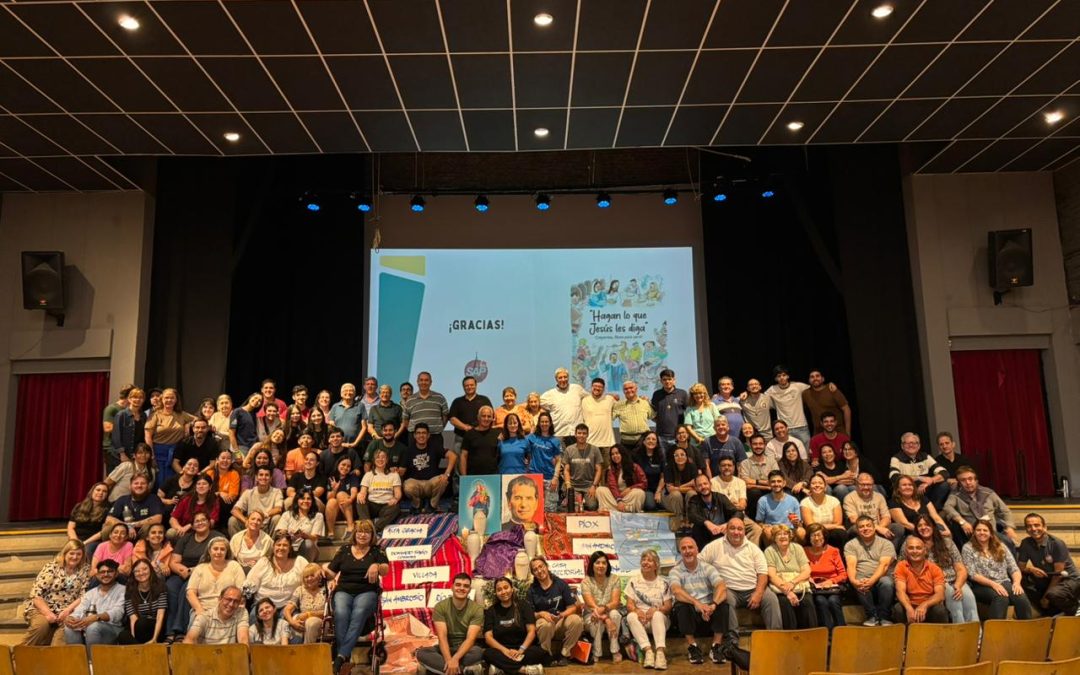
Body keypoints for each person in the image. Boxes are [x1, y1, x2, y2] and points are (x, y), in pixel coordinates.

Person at [325, 519, 388, 675]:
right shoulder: (344, 550)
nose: (363, 535)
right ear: (355, 533)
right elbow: (331, 573)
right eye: (360, 531)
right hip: (344, 590)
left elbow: (386, 570)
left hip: (367, 591)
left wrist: (376, 565)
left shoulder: (377, 550)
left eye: (367, 532)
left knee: (358, 612)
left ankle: (340, 657)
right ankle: (344, 657)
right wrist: (322, 570)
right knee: (341, 612)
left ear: (372, 535)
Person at [699, 517, 782, 633]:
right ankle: (733, 639)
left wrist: (758, 593)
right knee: (724, 600)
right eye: (732, 528)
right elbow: (698, 563)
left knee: (771, 599)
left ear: (744, 531)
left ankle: (776, 636)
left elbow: (763, 573)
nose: (736, 532)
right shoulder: (714, 546)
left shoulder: (754, 549)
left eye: (740, 529)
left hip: (753, 588)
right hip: (729, 589)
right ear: (726, 530)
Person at [669, 536, 731, 665]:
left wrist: (713, 605)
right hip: (690, 613)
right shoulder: (675, 571)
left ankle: (716, 646)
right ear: (680, 552)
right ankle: (692, 647)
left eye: (690, 547)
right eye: (683, 548)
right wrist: (697, 603)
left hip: (709, 612)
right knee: (681, 605)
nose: (687, 551)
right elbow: (676, 591)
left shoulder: (708, 568)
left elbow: (721, 586)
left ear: (697, 550)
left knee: (723, 603)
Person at [21, 539, 92, 645]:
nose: (74, 557)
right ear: (65, 553)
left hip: (68, 610)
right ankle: (20, 652)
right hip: (43, 607)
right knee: (41, 625)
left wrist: (67, 610)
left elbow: (83, 596)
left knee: (64, 633)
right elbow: (36, 594)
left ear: (83, 555)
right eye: (71, 553)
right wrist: (48, 613)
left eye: (78, 554)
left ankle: (55, 653)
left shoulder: (85, 570)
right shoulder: (52, 567)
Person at [166, 512, 224, 640]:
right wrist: (183, 570)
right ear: (192, 525)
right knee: (170, 587)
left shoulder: (217, 537)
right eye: (197, 521)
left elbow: (218, 559)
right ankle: (169, 631)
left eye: (203, 520)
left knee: (187, 589)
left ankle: (181, 630)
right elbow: (173, 561)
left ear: (209, 522)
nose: (200, 523)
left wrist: (192, 571)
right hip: (183, 572)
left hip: (204, 573)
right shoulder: (186, 538)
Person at [416, 573, 485, 675]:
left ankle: (443, 670)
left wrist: (455, 659)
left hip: (466, 649)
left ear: (469, 590)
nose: (461, 588)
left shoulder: (477, 609)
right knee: (422, 653)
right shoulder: (440, 606)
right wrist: (449, 660)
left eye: (466, 586)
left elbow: (470, 639)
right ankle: (460, 670)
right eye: (458, 585)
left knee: (478, 652)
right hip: (446, 648)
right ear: (451, 587)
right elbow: (442, 637)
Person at [963, 520, 1032, 620]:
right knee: (1001, 597)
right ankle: (995, 629)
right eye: (978, 530)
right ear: (974, 532)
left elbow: (1013, 568)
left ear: (991, 533)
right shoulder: (968, 548)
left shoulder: (1001, 546)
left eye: (985, 530)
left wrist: (1017, 583)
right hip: (980, 585)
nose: (982, 532)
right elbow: (972, 574)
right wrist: (993, 584)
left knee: (1020, 597)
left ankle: (1027, 627)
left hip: (1003, 581)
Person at [914, 515, 978, 623]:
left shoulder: (947, 542)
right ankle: (959, 629)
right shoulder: (913, 545)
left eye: (927, 524)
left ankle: (976, 631)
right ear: (916, 529)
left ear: (933, 526)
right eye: (920, 525)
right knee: (954, 596)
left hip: (955, 580)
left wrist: (958, 585)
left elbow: (961, 568)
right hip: (936, 583)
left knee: (969, 597)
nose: (923, 527)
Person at [482, 576, 550, 675]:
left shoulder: (524, 606)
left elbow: (531, 632)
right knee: (488, 654)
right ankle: (524, 670)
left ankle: (501, 668)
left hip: (523, 648)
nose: (503, 592)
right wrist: (505, 651)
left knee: (539, 652)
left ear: (512, 589)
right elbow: (488, 638)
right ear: (496, 593)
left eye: (506, 587)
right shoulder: (491, 611)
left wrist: (521, 650)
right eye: (499, 590)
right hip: (501, 649)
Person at [943, 466, 1018, 552]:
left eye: (970, 479)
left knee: (1008, 542)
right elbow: (947, 507)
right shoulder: (956, 495)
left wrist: (1009, 527)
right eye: (963, 480)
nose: (968, 482)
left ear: (976, 480)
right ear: (959, 483)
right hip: (972, 534)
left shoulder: (988, 493)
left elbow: (1005, 511)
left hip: (991, 532)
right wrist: (962, 522)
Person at [1018, 513, 1080, 616]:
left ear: (1045, 527)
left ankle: (1075, 609)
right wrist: (1031, 569)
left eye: (1037, 525)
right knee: (1020, 579)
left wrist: (1045, 597)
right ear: (1026, 530)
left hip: (1068, 579)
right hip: (1047, 578)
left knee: (1052, 594)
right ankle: (1051, 613)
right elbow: (1021, 567)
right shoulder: (1025, 543)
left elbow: (1058, 575)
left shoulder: (1056, 543)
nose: (1033, 529)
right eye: (1029, 526)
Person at [528, 557, 583, 667]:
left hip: (560, 622)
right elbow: (529, 614)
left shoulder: (560, 584)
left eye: (541, 566)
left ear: (547, 566)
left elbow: (572, 607)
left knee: (576, 620)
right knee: (546, 624)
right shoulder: (531, 590)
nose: (539, 570)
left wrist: (562, 615)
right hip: (544, 623)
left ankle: (565, 654)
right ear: (533, 574)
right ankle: (545, 654)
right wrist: (541, 614)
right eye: (535, 569)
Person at [624, 549, 673, 670]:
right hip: (641, 620)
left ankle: (660, 653)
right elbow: (629, 604)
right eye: (643, 559)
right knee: (631, 616)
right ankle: (648, 652)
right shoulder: (633, 581)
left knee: (657, 615)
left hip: (660, 621)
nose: (645, 562)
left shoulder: (663, 583)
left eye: (650, 560)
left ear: (656, 565)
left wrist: (657, 609)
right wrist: (636, 610)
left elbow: (668, 607)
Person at [63, 558, 126, 651]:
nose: (106, 574)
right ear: (97, 575)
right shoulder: (90, 593)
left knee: (94, 627)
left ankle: (92, 659)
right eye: (102, 572)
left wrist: (97, 617)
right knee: (69, 628)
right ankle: (77, 659)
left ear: (116, 573)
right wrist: (71, 618)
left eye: (110, 571)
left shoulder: (123, 590)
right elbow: (80, 609)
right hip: (90, 627)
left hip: (114, 628)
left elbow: (118, 612)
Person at [186, 536, 246, 632]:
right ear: (209, 551)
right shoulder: (200, 568)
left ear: (226, 552)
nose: (218, 552)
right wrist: (200, 610)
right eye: (215, 549)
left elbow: (241, 591)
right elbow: (190, 593)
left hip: (228, 609)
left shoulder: (234, 566)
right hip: (203, 609)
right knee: (196, 627)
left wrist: (229, 610)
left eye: (222, 549)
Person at [844, 515, 896, 626]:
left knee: (887, 582)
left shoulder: (886, 543)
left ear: (874, 527)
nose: (865, 528)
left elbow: (884, 566)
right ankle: (872, 616)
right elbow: (851, 565)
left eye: (868, 525)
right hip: (862, 578)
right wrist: (853, 581)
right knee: (859, 581)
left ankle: (884, 616)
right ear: (857, 530)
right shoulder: (851, 545)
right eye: (861, 527)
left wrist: (871, 580)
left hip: (881, 578)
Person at [764, 525, 817, 629]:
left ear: (790, 536)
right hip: (780, 588)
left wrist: (792, 582)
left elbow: (807, 571)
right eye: (779, 534)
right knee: (785, 603)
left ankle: (810, 636)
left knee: (807, 602)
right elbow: (772, 575)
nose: (783, 536)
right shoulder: (769, 551)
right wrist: (787, 592)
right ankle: (790, 636)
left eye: (785, 534)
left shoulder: (797, 548)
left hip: (799, 585)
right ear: (774, 537)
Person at [244, 533, 307, 614]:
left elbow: (312, 573)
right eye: (278, 545)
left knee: (295, 621)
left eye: (285, 545)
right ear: (273, 547)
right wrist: (243, 599)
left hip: (288, 607)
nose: (281, 548)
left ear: (290, 548)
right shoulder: (264, 562)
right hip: (263, 606)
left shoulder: (300, 561)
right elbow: (249, 585)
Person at [892, 536, 949, 624]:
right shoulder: (901, 566)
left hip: (929, 606)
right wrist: (908, 607)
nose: (914, 551)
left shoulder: (935, 569)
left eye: (918, 548)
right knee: (898, 609)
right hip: (910, 604)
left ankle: (940, 633)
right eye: (911, 548)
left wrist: (925, 605)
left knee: (940, 610)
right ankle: (906, 632)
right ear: (906, 551)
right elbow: (900, 591)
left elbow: (940, 594)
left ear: (925, 551)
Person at [888, 432, 950, 510]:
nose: (911, 445)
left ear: (919, 446)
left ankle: (934, 510)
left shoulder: (925, 456)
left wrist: (931, 480)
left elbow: (944, 473)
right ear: (902, 446)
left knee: (944, 485)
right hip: (907, 490)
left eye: (914, 443)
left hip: (925, 490)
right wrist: (919, 478)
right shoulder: (896, 458)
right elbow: (893, 476)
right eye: (907, 443)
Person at [581, 551, 623, 665]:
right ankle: (597, 652)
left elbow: (615, 602)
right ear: (592, 565)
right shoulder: (586, 581)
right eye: (597, 562)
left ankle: (615, 649)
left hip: (609, 611)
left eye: (604, 563)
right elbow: (592, 606)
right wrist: (606, 618)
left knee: (615, 614)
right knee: (596, 618)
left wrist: (605, 610)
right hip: (591, 614)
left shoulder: (614, 579)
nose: (601, 565)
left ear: (608, 565)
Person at [145, 388, 194, 484]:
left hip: (175, 455)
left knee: (174, 482)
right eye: (166, 398)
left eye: (172, 398)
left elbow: (197, 420)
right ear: (162, 399)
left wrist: (188, 424)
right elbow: (148, 437)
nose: (169, 400)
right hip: (158, 454)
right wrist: (152, 456)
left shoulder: (181, 414)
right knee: (159, 481)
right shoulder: (155, 415)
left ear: (176, 400)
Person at [402, 423, 455, 514]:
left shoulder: (434, 447)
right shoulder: (408, 450)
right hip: (416, 484)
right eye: (418, 433)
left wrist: (447, 474)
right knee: (407, 485)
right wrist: (397, 471)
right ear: (414, 435)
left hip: (431, 483)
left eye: (424, 433)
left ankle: (432, 505)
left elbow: (453, 456)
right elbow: (402, 470)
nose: (421, 435)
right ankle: (417, 504)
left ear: (428, 435)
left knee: (443, 480)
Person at [686, 473, 748, 550]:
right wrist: (707, 523)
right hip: (703, 536)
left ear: (710, 484)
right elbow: (692, 515)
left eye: (705, 483)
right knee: (696, 528)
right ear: (696, 488)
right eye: (700, 485)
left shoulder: (720, 497)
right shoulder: (694, 500)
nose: (703, 487)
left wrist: (727, 524)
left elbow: (738, 513)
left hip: (721, 534)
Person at [804, 523, 847, 631]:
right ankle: (827, 632)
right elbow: (801, 571)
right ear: (809, 538)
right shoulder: (804, 551)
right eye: (813, 535)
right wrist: (809, 579)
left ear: (824, 536)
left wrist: (831, 581)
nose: (816, 538)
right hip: (815, 588)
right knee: (820, 601)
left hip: (832, 587)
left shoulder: (833, 551)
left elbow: (843, 574)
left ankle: (842, 632)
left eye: (819, 535)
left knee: (833, 600)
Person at [889, 475, 951, 546]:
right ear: (898, 489)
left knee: (944, 533)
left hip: (929, 530)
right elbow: (905, 523)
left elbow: (935, 517)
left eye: (910, 485)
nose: (908, 487)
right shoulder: (893, 502)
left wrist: (947, 530)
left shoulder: (922, 498)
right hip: (911, 534)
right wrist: (925, 531)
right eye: (904, 485)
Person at [117, 558, 167, 644]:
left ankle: (146, 646)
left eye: (144, 569)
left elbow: (160, 616)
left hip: (156, 628)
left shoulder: (160, 586)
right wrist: (134, 637)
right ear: (133, 574)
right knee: (123, 635)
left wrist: (154, 639)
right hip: (138, 628)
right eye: (137, 571)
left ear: (151, 570)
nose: (141, 573)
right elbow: (133, 618)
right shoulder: (130, 590)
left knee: (142, 622)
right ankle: (141, 648)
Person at [843, 473, 904, 543]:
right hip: (860, 527)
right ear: (856, 484)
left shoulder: (879, 496)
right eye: (862, 484)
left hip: (879, 526)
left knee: (898, 528)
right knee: (855, 529)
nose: (866, 487)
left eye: (869, 484)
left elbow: (886, 517)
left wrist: (880, 528)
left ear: (873, 485)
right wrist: (877, 528)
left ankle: (889, 549)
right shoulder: (849, 498)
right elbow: (854, 520)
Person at [102, 474, 164, 542]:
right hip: (124, 533)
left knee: (148, 527)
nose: (139, 485)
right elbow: (109, 519)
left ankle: (141, 546)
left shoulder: (154, 498)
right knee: (107, 528)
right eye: (136, 483)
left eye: (143, 483)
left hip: (144, 534)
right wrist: (127, 526)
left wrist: (133, 525)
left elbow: (158, 519)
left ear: (148, 486)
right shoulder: (122, 499)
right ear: (130, 486)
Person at [763, 366, 814, 448]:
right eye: (779, 376)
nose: (782, 378)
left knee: (807, 451)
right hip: (784, 429)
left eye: (784, 375)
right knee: (788, 452)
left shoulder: (798, 386)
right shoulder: (772, 390)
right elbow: (760, 398)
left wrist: (830, 385)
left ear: (788, 376)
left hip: (801, 426)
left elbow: (814, 387)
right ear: (776, 379)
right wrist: (746, 394)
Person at [401, 371, 450, 452]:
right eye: (421, 380)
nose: (423, 382)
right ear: (417, 382)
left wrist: (438, 427)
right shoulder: (410, 400)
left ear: (431, 382)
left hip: (435, 437)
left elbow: (445, 416)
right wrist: (415, 432)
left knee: (435, 459)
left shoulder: (439, 397)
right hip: (415, 438)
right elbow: (405, 420)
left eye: (426, 380)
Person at [357, 448, 402, 534]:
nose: (380, 459)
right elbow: (363, 491)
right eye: (377, 457)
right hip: (372, 505)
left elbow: (398, 493)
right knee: (360, 501)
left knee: (396, 508)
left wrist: (395, 498)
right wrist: (360, 494)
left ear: (387, 460)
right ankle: (367, 525)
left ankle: (372, 529)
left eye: (383, 457)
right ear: (374, 460)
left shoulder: (394, 475)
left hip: (387, 505)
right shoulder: (368, 474)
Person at [183, 586, 249, 644]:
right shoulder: (204, 617)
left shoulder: (241, 612)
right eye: (228, 599)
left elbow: (243, 639)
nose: (231, 604)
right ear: (220, 599)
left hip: (230, 653)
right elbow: (189, 639)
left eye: (236, 601)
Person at [229, 467, 284, 536]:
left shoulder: (277, 492)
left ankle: (272, 542)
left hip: (267, 525)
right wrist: (246, 521)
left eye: (267, 475)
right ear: (256, 478)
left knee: (277, 518)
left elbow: (278, 508)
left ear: (270, 478)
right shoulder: (248, 493)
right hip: (250, 524)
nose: (264, 477)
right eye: (261, 475)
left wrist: (264, 515)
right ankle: (238, 542)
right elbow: (234, 510)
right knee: (232, 520)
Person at [283, 563, 328, 644]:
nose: (309, 578)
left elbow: (328, 612)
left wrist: (308, 614)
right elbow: (287, 609)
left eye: (312, 575)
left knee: (311, 622)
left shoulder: (326, 589)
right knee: (295, 620)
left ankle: (307, 650)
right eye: (306, 577)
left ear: (319, 576)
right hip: (303, 623)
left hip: (323, 623)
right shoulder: (300, 590)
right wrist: (292, 622)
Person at [561, 423, 602, 512]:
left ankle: (584, 503)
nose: (581, 435)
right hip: (573, 485)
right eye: (579, 433)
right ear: (575, 435)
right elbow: (566, 470)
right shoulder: (569, 449)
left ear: (587, 435)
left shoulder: (595, 449)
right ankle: (576, 502)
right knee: (572, 508)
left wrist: (594, 486)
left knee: (592, 506)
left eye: (584, 433)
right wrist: (568, 485)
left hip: (589, 486)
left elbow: (598, 470)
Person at [540, 367, 588, 441]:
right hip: (559, 433)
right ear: (556, 379)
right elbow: (534, 402)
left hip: (577, 434)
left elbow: (590, 398)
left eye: (565, 377)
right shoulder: (550, 394)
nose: (563, 379)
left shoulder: (577, 389)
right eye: (560, 378)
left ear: (568, 378)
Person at [449, 375, 494, 453]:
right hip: (461, 439)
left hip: (481, 437)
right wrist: (466, 427)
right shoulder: (457, 401)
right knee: (460, 460)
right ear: (463, 387)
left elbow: (491, 417)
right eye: (467, 385)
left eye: (471, 385)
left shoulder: (484, 400)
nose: (469, 387)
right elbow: (452, 419)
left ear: (476, 385)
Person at [756, 471, 803, 545]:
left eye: (779, 481)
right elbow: (759, 522)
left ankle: (796, 550)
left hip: (789, 530)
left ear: (784, 483)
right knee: (767, 531)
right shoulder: (763, 500)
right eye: (773, 482)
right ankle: (772, 551)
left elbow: (799, 524)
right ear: (769, 483)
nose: (776, 484)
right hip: (773, 530)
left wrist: (796, 524)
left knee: (801, 532)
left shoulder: (793, 500)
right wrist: (763, 526)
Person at [596, 445, 647, 513]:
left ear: (622, 454)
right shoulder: (611, 469)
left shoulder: (634, 467)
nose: (615, 456)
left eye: (617, 453)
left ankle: (612, 509)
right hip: (616, 496)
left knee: (640, 493)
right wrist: (619, 499)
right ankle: (626, 509)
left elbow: (644, 483)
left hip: (629, 495)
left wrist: (630, 488)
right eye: (612, 454)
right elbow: (612, 486)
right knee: (600, 490)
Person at [739, 434, 779, 518]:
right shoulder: (745, 463)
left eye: (760, 444)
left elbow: (776, 479)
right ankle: (755, 520)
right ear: (750, 445)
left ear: (765, 445)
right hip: (753, 494)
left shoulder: (772, 461)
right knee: (754, 492)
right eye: (755, 444)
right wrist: (765, 484)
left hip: (771, 490)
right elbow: (745, 483)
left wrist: (753, 482)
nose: (758, 446)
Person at [278, 489, 325, 561]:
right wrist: (289, 534)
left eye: (308, 499)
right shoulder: (287, 514)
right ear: (297, 500)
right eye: (302, 498)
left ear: (312, 501)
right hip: (290, 547)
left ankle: (306, 566)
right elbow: (281, 532)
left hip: (308, 549)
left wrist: (304, 535)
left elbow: (314, 538)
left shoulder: (318, 516)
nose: (305, 501)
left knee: (308, 543)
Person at [800, 475, 845, 548]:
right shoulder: (805, 502)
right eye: (813, 483)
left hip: (831, 532)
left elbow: (838, 522)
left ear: (825, 487)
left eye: (820, 483)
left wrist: (835, 526)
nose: (817, 485)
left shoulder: (834, 501)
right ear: (809, 487)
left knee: (840, 533)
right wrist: (834, 526)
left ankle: (838, 555)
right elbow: (811, 526)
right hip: (814, 532)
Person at [802, 370, 852, 436]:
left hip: (837, 430)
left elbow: (846, 409)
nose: (815, 378)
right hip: (819, 432)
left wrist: (848, 431)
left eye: (817, 376)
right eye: (812, 377)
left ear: (823, 379)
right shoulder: (806, 394)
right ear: (809, 380)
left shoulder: (832, 390)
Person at [68, 482, 110, 559]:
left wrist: (84, 543)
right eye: (98, 490)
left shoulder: (108, 509)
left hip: (94, 541)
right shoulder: (79, 506)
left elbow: (103, 532)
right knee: (69, 551)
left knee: (86, 551)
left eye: (104, 491)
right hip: (77, 538)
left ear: (107, 495)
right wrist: (75, 541)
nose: (100, 493)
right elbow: (71, 527)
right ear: (92, 491)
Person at [325, 455, 362, 538]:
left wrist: (350, 500)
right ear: (338, 464)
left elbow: (354, 491)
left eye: (348, 466)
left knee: (340, 494)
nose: (345, 468)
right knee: (331, 501)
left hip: (350, 508)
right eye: (343, 464)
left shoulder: (352, 476)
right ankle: (330, 533)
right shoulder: (332, 478)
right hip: (336, 511)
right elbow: (328, 498)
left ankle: (350, 526)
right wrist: (334, 489)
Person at [650, 368, 688, 449]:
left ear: (674, 380)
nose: (667, 382)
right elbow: (652, 413)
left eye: (669, 379)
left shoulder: (682, 394)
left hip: (678, 436)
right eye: (664, 379)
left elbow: (688, 413)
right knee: (663, 457)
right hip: (661, 436)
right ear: (661, 381)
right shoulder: (657, 394)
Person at [612, 380, 654, 452]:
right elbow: (609, 418)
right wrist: (610, 398)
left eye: (631, 388)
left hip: (643, 441)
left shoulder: (645, 403)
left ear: (636, 389)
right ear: (623, 391)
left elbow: (653, 416)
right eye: (626, 389)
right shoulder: (618, 405)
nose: (629, 390)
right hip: (626, 443)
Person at [661, 446, 697, 527]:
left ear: (686, 457)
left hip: (685, 496)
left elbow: (695, 487)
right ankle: (679, 520)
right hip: (669, 497)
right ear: (673, 458)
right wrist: (688, 486)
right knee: (676, 494)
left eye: (682, 454)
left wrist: (677, 488)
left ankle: (690, 519)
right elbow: (670, 489)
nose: (680, 457)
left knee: (692, 493)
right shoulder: (668, 467)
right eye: (676, 455)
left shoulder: (692, 466)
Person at [111, 388, 147, 467]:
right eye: (135, 397)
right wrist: (122, 454)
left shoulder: (143, 416)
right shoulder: (121, 415)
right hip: (121, 456)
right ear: (129, 399)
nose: (138, 400)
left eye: (141, 397)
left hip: (137, 455)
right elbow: (116, 437)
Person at [460, 406, 501, 476]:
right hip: (473, 476)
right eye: (483, 416)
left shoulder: (497, 434)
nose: (486, 419)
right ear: (478, 417)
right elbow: (463, 456)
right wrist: (464, 477)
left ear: (492, 418)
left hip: (493, 476)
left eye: (489, 416)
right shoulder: (469, 434)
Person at [103, 384, 134, 473]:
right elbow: (107, 428)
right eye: (134, 396)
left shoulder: (130, 410)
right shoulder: (112, 408)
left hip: (125, 447)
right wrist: (127, 427)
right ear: (129, 396)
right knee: (114, 475)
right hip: (112, 448)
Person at [159, 457, 200, 521]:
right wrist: (169, 501)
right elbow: (158, 498)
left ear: (198, 471)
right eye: (189, 464)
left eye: (195, 465)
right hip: (167, 514)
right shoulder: (172, 480)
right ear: (183, 467)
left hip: (187, 516)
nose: (192, 467)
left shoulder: (199, 483)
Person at [634, 431, 666, 512]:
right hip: (646, 488)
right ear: (644, 441)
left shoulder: (661, 456)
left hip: (659, 487)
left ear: (657, 443)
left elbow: (663, 477)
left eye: (653, 439)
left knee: (663, 505)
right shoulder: (636, 456)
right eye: (648, 439)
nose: (651, 441)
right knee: (650, 506)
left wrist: (658, 492)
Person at [329, 383, 366, 450]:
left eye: (350, 390)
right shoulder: (335, 407)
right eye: (345, 390)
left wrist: (355, 443)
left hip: (356, 446)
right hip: (338, 446)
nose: (348, 392)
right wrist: (338, 442)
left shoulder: (360, 406)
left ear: (354, 393)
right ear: (341, 394)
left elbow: (364, 427)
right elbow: (332, 426)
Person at [711, 377, 744, 442]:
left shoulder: (737, 400)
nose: (726, 386)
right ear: (719, 387)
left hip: (740, 438)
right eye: (723, 384)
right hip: (724, 439)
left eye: (728, 384)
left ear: (732, 387)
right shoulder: (714, 402)